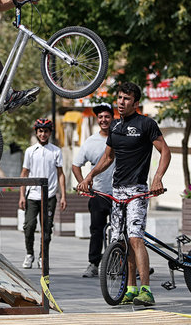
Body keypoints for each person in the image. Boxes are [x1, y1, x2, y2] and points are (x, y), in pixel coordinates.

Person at [77, 82, 171, 306]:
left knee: (136, 238)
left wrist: (157, 178)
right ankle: (130, 288)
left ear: (136, 103)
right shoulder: (116, 128)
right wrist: (89, 177)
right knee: (120, 241)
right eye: (119, 98)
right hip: (117, 191)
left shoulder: (146, 124)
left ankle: (146, 290)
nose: (121, 102)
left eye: (126, 99)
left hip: (137, 191)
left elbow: (165, 150)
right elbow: (108, 158)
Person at [72, 103, 114, 278]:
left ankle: (124, 263)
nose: (104, 120)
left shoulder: (120, 137)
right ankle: (93, 264)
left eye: (107, 116)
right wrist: (83, 184)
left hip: (120, 194)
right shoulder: (91, 141)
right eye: (101, 117)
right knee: (97, 230)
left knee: (122, 231)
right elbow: (75, 166)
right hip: (99, 194)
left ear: (113, 118)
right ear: (97, 120)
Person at [18, 118, 67, 269]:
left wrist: (63, 195)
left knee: (46, 229)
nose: (43, 134)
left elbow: (60, 174)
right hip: (32, 195)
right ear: (37, 132)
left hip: (49, 196)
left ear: (50, 133)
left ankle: (42, 256)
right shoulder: (30, 151)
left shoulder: (56, 151)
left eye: (46, 131)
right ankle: (29, 254)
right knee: (29, 225)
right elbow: (24, 174)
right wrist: (21, 195)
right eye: (40, 131)